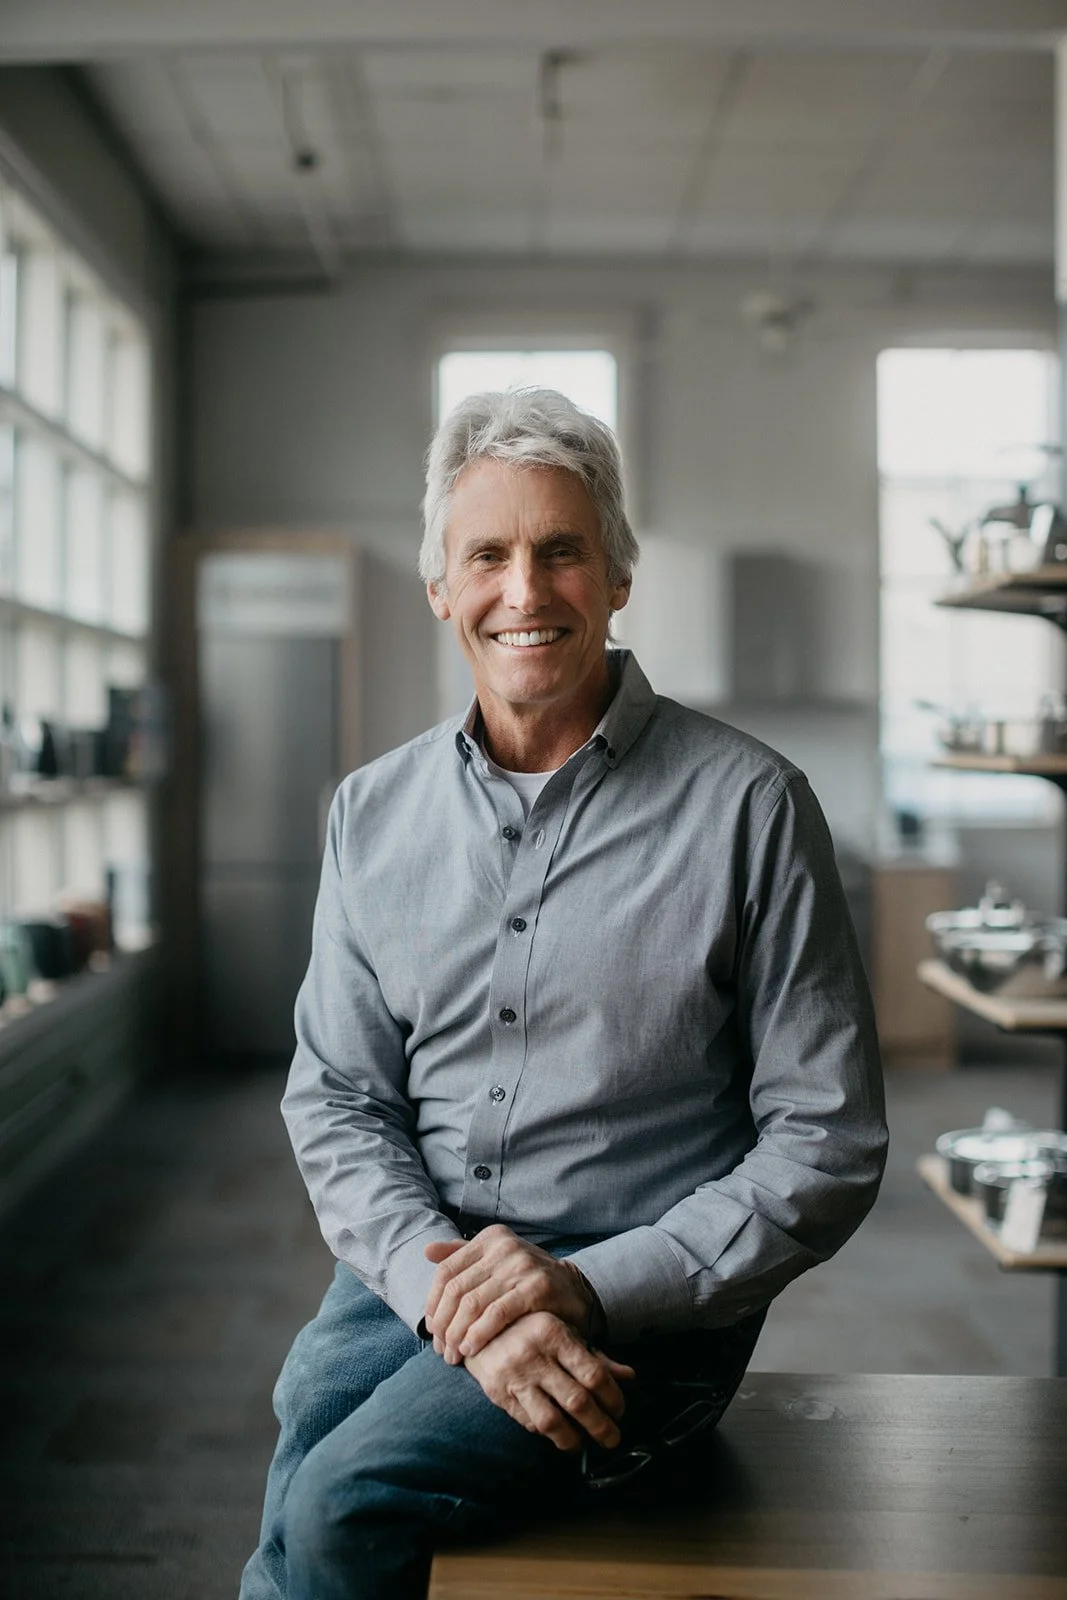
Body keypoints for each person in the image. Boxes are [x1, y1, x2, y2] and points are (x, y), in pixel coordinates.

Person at [239, 387, 887, 1600]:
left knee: (337, 1512)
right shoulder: (370, 814)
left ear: (617, 574)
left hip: (647, 1299)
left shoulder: (751, 807)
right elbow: (334, 1100)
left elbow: (827, 1139)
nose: (524, 592)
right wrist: (454, 1289)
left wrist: (581, 1287)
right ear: (441, 584)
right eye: (486, 554)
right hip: (423, 1263)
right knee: (298, 1468)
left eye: (561, 551)